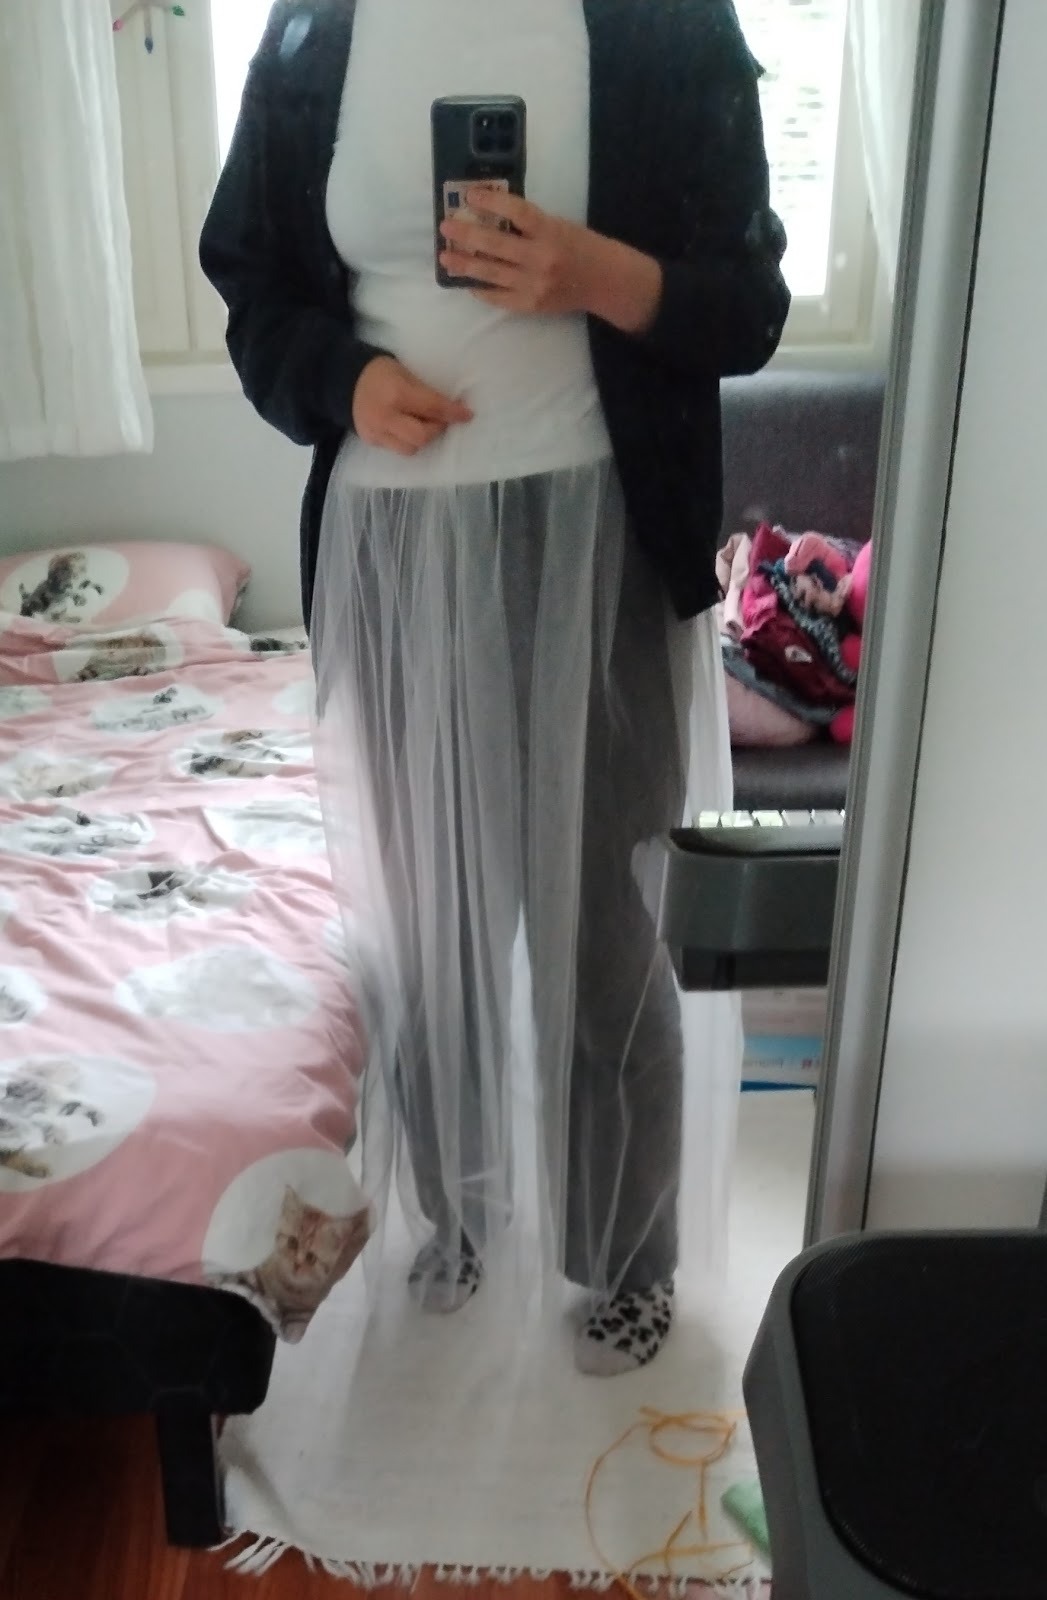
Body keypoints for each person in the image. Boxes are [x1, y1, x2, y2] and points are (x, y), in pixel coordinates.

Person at [201, 0, 789, 1377]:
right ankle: (459, 1212)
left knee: (610, 932)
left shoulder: (666, 23)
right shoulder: (316, 27)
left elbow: (749, 303)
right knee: (429, 925)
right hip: (396, 549)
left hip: (604, 536)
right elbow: (252, 285)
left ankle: (626, 1255)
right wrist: (346, 381)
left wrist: (601, 274)